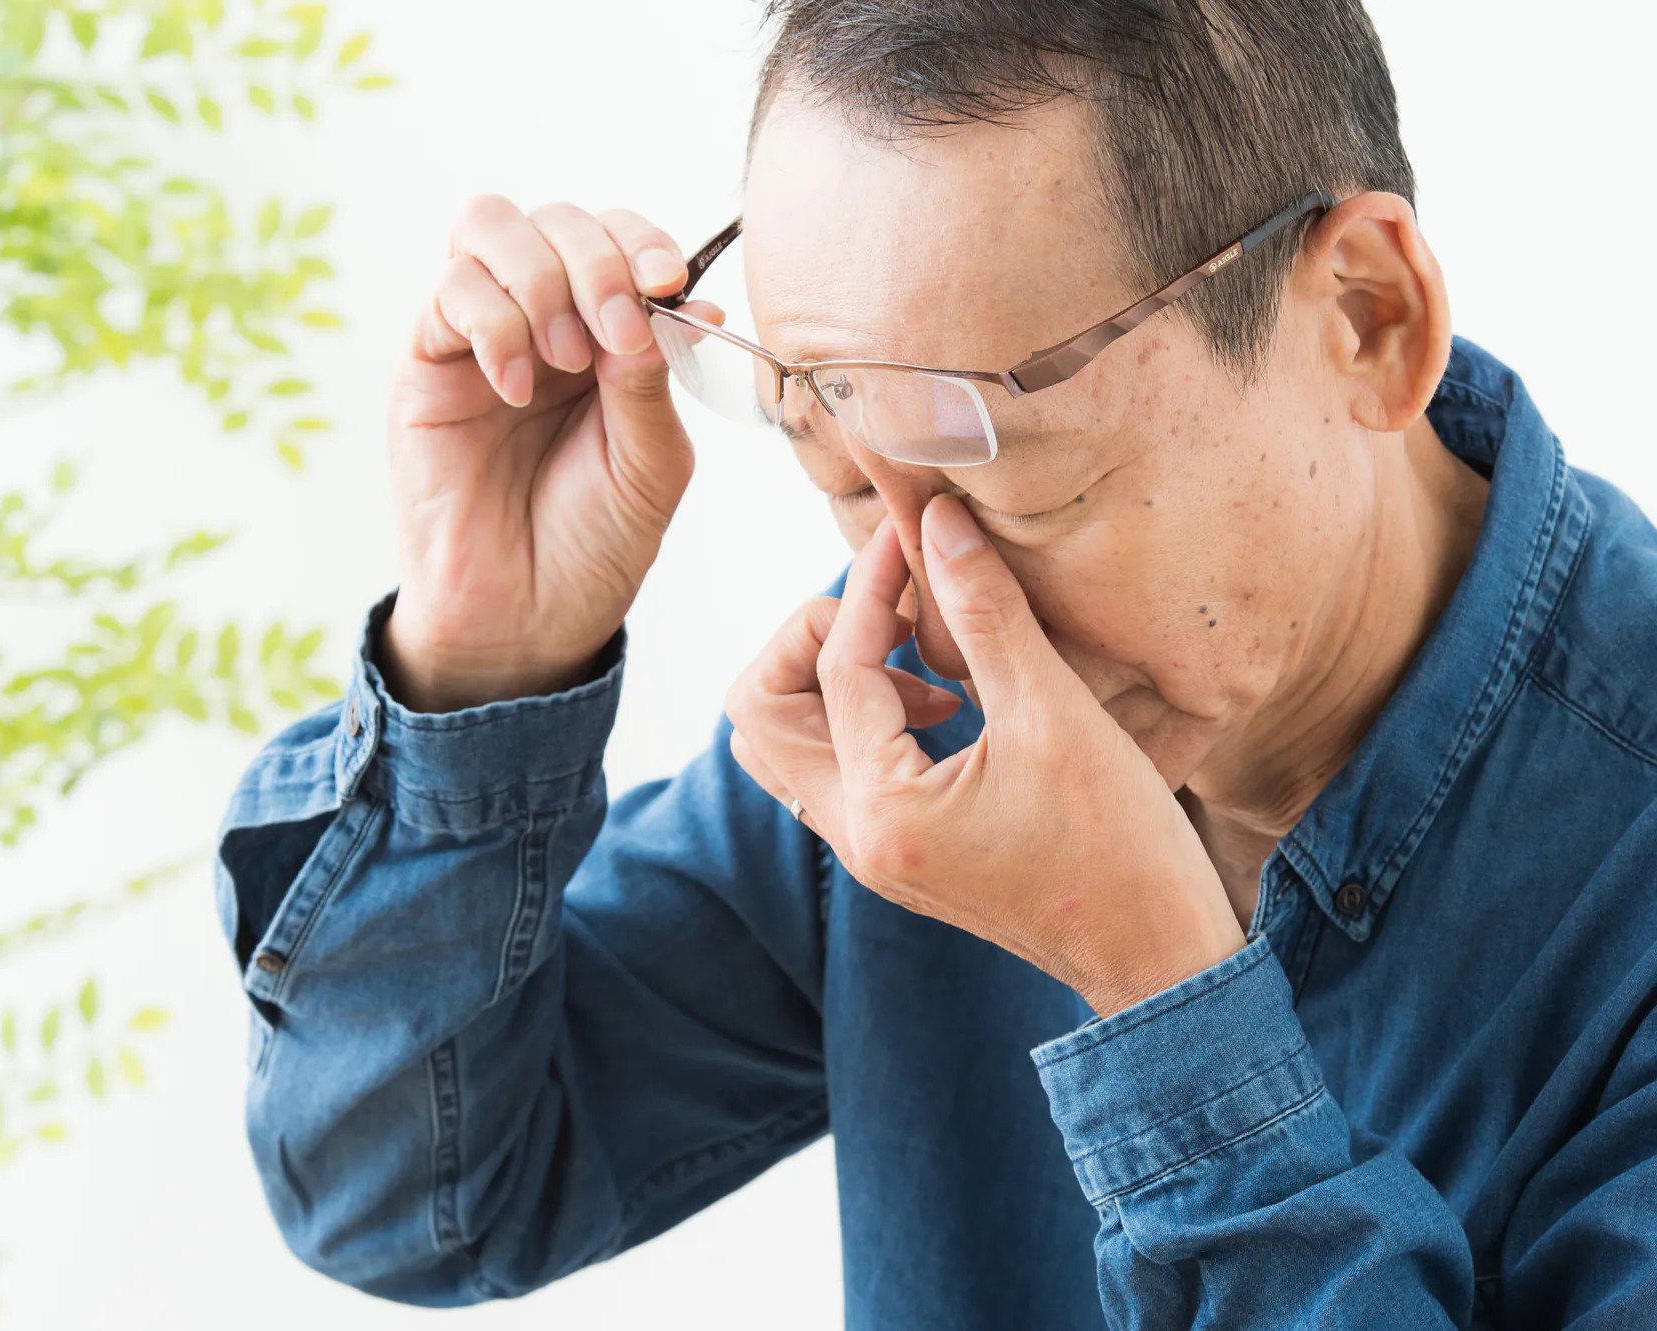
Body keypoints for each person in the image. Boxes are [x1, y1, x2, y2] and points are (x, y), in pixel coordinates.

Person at [213, 2, 1657, 1325]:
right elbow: (413, 1194)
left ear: (1365, 318)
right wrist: (481, 658)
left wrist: (1160, 993)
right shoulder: (920, 710)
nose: (935, 613)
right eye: (841, 467)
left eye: (1017, 489)